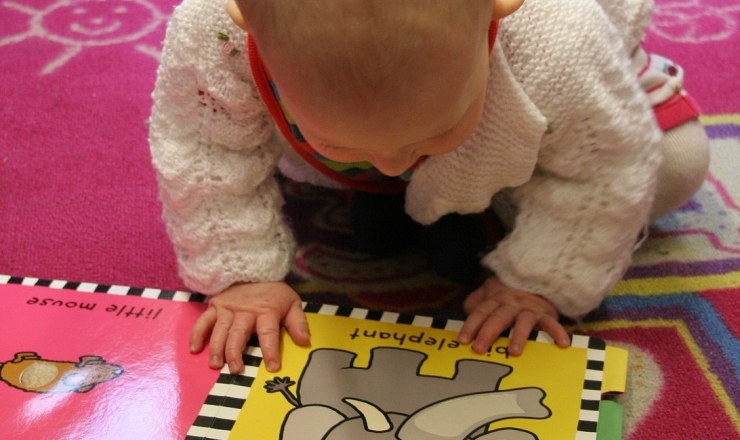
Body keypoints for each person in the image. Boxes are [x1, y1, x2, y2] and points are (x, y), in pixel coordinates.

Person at [149, 0, 710, 374]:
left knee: (677, 163)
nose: (391, 164)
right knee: (374, 150)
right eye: (349, 141)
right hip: (355, 128)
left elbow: (605, 166)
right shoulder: (215, 34)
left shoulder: (560, 40)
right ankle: (407, 165)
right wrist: (239, 274)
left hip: (554, 103)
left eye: (430, 134)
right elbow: (205, 149)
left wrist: (542, 278)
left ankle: (476, 184)